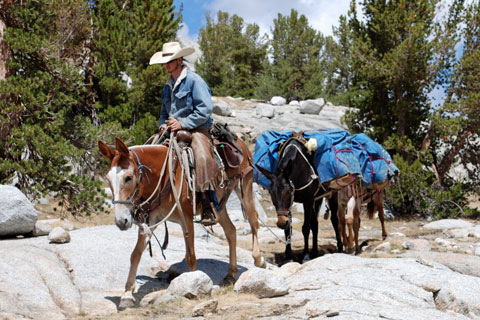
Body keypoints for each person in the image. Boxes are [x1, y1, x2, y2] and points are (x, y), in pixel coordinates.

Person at [149, 41, 220, 226]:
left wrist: (183, 123)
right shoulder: (168, 85)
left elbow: (205, 110)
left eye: (170, 60)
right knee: (150, 151)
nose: (166, 64)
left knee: (202, 156)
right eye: (165, 61)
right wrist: (162, 125)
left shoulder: (194, 80)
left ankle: (207, 204)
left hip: (197, 128)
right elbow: (164, 113)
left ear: (179, 60)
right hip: (173, 130)